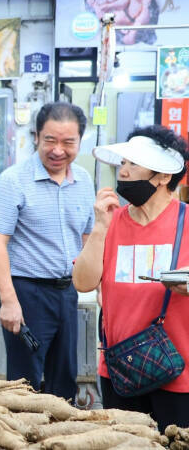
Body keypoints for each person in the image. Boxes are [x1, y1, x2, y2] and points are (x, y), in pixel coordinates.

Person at [73, 125, 189, 431]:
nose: (122, 172)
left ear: (164, 176)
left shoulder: (186, 221)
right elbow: (83, 282)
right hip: (120, 370)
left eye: (133, 164)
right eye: (122, 163)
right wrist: (99, 226)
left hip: (178, 371)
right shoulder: (111, 223)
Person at [0, 102, 95, 401]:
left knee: (64, 376)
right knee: (26, 380)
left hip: (67, 292)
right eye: (50, 140)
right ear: (36, 136)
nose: (58, 150)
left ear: (79, 141)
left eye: (68, 142)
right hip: (28, 295)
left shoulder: (84, 181)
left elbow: (87, 237)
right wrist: (9, 301)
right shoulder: (13, 181)